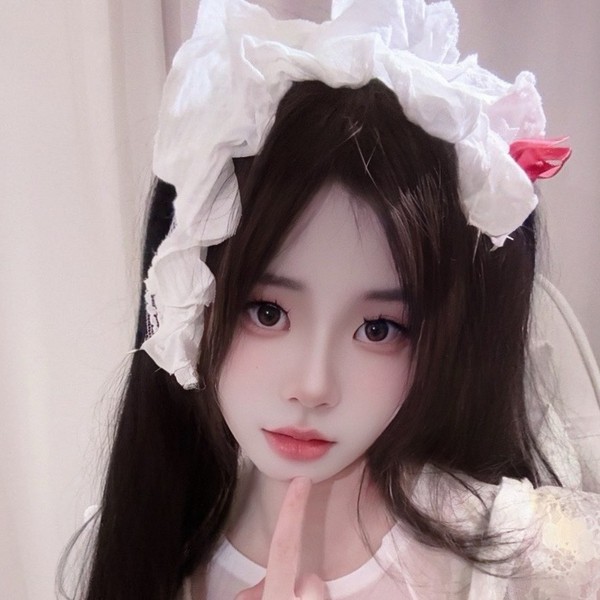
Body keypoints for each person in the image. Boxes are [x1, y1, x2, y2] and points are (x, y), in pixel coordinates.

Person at [64, 0, 600, 599]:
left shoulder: (536, 562)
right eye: (267, 312)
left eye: (379, 328)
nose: (313, 386)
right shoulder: (144, 549)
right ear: (189, 300)